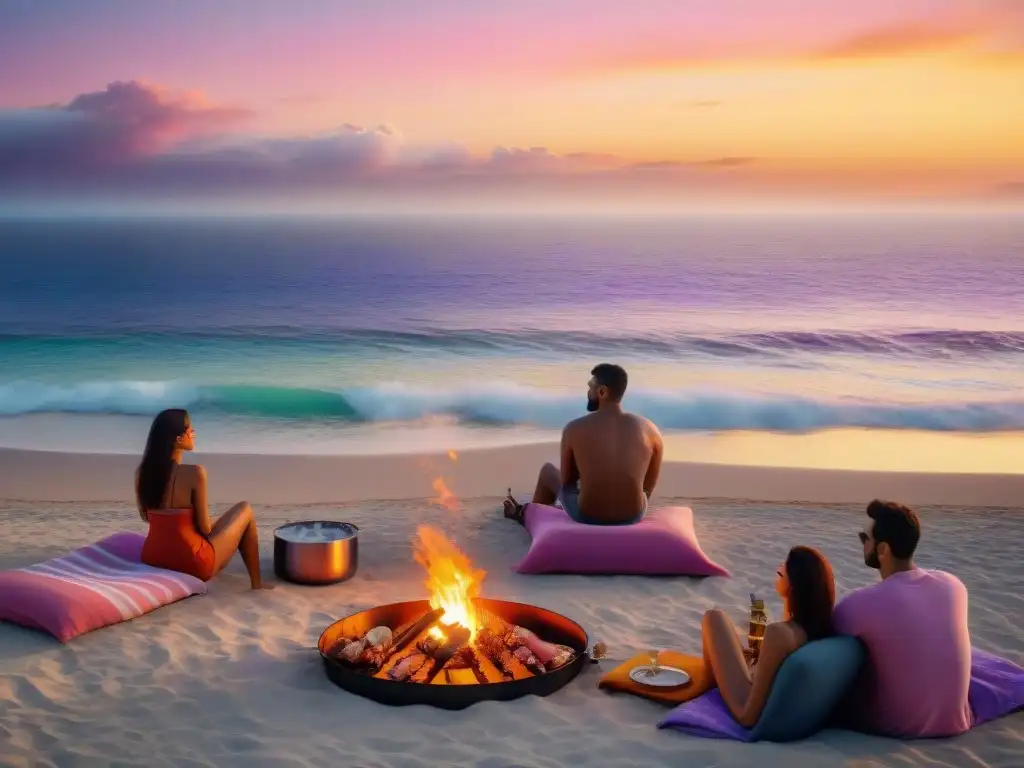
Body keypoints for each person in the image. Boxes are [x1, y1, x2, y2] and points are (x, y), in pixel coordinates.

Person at [832, 500, 971, 737]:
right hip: (957, 721)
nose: (862, 544)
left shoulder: (862, 603)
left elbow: (822, 635)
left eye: (864, 538)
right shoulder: (953, 585)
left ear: (883, 550)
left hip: (898, 727)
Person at [504, 363, 663, 525]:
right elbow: (648, 485)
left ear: (602, 392)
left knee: (548, 472)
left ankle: (531, 517)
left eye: (591, 387)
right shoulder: (651, 430)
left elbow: (567, 482)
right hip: (633, 516)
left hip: (587, 515)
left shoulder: (574, 428)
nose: (588, 392)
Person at [135, 408, 273, 589]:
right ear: (178, 438)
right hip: (191, 563)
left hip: (153, 557)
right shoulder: (195, 473)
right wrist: (219, 524)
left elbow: (146, 518)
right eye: (189, 429)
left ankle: (257, 583)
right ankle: (257, 584)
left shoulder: (142, 474)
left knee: (224, 522)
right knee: (245, 509)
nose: (193, 433)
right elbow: (205, 529)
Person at [701, 546, 836, 728]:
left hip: (745, 706)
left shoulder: (780, 633)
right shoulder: (814, 628)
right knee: (740, 648)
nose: (779, 569)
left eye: (784, 568)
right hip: (773, 698)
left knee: (714, 617)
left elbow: (748, 716)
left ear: (793, 585)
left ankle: (705, 683)